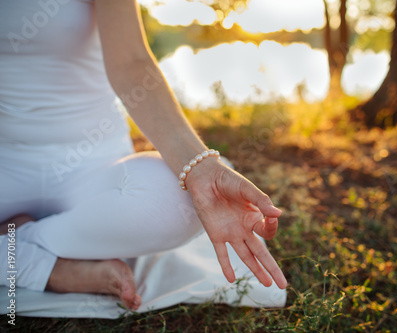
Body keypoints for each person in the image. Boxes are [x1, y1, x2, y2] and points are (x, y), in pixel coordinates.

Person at [0, 0, 287, 311]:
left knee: (185, 200)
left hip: (93, 166)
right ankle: (54, 270)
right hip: (6, 168)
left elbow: (132, 62)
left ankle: (14, 242)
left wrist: (201, 168)